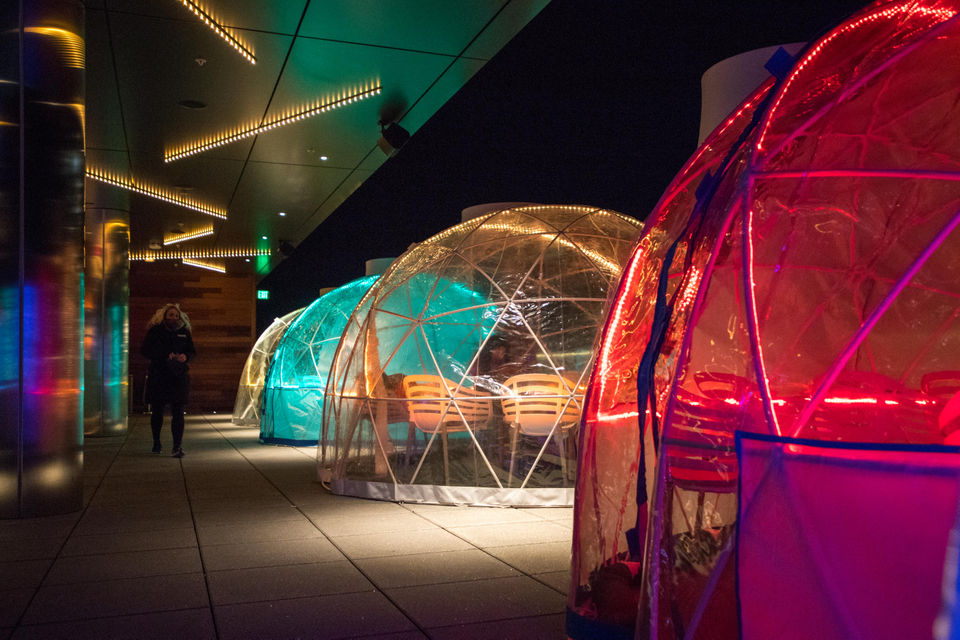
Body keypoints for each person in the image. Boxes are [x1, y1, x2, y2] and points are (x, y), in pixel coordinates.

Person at [141, 303, 196, 457]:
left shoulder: (184, 332)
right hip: (159, 376)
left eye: (176, 316)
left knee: (178, 411)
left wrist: (185, 357)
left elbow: (192, 351)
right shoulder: (155, 331)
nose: (174, 318)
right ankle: (156, 442)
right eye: (171, 315)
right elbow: (145, 350)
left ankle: (177, 446)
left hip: (178, 377)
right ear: (164, 316)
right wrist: (165, 355)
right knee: (157, 411)